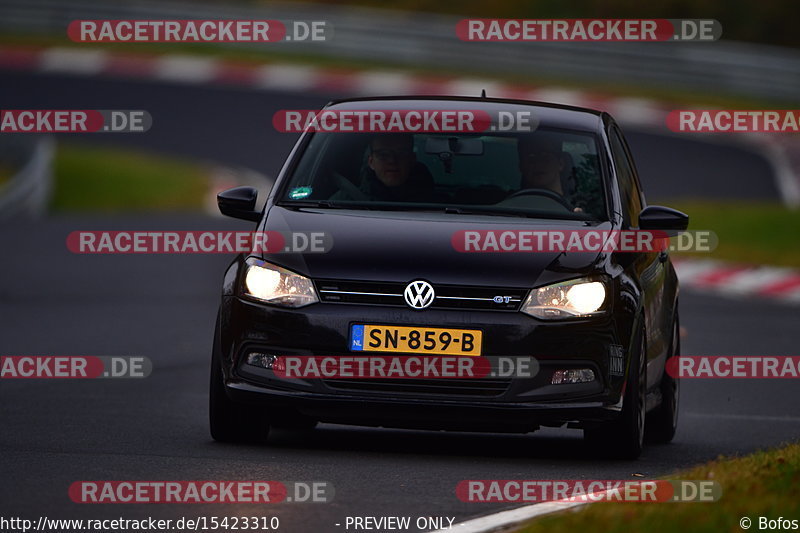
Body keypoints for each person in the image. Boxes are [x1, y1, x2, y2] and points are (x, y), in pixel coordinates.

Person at [330, 133, 433, 202]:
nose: (392, 160)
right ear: (371, 162)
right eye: (383, 154)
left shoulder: (438, 205)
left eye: (401, 153)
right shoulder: (344, 201)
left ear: (412, 159)